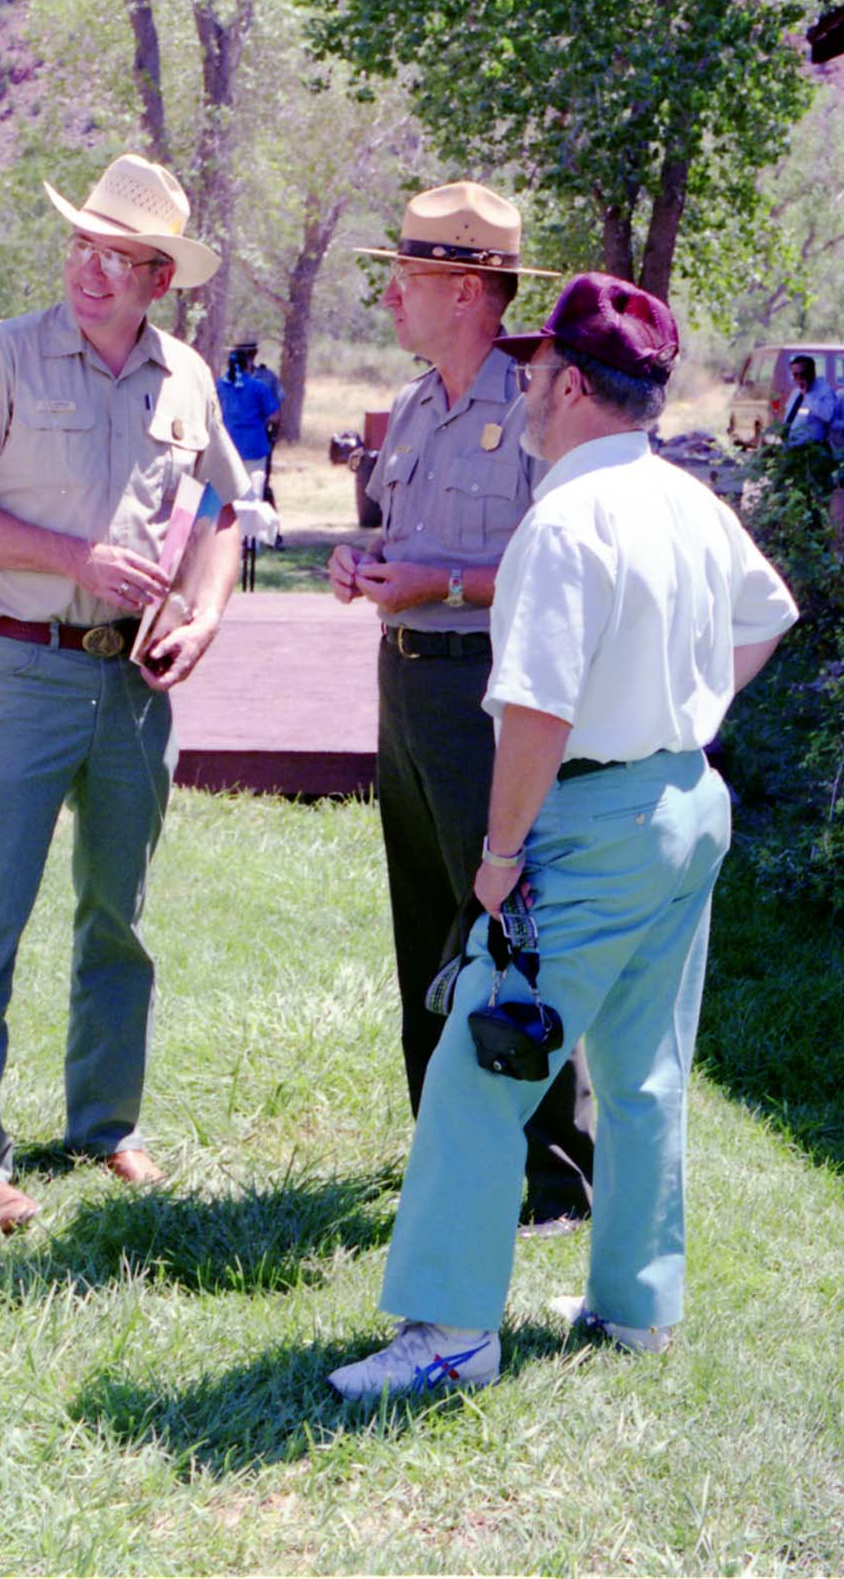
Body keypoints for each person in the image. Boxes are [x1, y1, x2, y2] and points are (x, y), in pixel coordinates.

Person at [329, 273, 797, 1400]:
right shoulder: (687, 498)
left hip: (587, 822)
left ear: (574, 385)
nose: (528, 387)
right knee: (644, 1070)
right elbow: (768, 612)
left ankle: (448, 1333)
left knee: (480, 1069)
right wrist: (684, 714)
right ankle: (635, 1307)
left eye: (540, 373)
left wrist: (498, 858)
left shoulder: (566, 518)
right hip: (685, 804)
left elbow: (535, 711)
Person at [0, 153, 251, 1230]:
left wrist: (201, 612)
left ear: (162, 280)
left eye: (120, 259)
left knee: (121, 914)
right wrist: (72, 558)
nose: (91, 273)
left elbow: (221, 515)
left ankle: (105, 1125)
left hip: (135, 690)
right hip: (20, 668)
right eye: (80, 247)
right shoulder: (5, 356)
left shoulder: (187, 379)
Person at [328, 181, 595, 1234]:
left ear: (474, 290)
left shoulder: (534, 404)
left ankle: (550, 1180)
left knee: (507, 921)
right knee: (424, 919)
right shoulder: (417, 405)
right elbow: (411, 536)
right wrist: (368, 561)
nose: (393, 297)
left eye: (414, 278)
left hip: (486, 693)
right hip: (406, 683)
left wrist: (438, 583)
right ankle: (445, 1140)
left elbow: (555, 561)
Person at [217, 342, 281, 483]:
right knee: (253, 493)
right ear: (248, 364)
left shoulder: (219, 386)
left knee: (229, 492)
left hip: (228, 446)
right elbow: (275, 417)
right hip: (254, 446)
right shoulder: (259, 386)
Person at [781, 354, 835, 446]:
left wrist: (808, 395)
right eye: (795, 375)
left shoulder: (825, 391)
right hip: (792, 447)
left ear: (812, 373)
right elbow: (789, 417)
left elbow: (828, 416)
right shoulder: (795, 392)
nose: (798, 378)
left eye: (802, 374)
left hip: (813, 449)